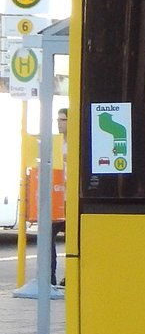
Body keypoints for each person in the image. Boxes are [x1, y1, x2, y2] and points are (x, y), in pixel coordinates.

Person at [51, 107, 67, 287]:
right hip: (57, 199)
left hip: (72, 200)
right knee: (47, 236)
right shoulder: (55, 143)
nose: (58, 123)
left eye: (62, 119)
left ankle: (70, 275)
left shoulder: (78, 141)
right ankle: (50, 278)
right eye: (57, 119)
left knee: (74, 241)